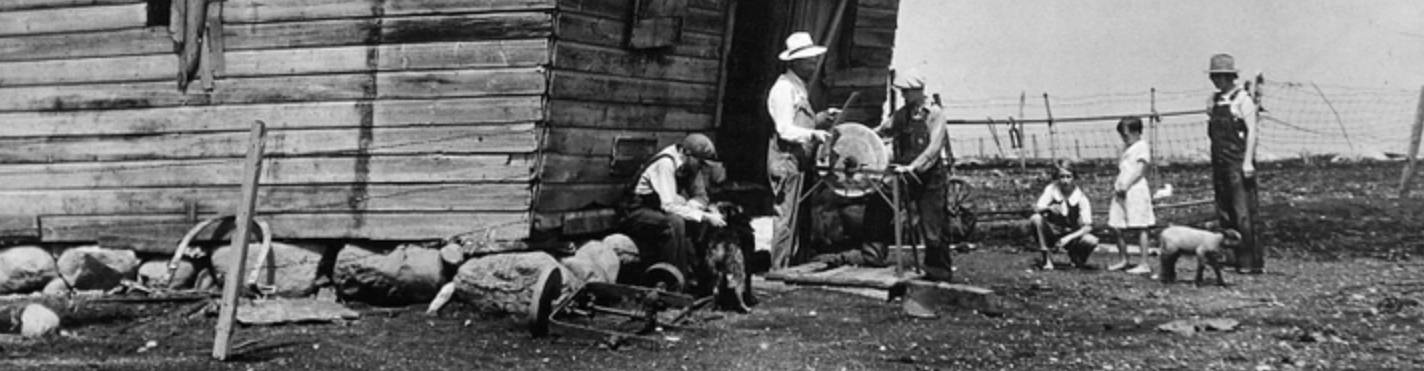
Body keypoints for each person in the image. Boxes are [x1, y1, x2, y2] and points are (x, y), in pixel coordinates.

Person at [765, 31, 838, 268]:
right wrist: (813, 134)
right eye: (809, 61)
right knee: (786, 217)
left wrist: (820, 118)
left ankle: (796, 264)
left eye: (814, 59)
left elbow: (800, 122)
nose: (814, 64)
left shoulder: (799, 87)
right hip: (786, 158)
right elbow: (785, 129)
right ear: (794, 62)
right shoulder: (783, 89)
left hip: (800, 158)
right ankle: (778, 269)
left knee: (800, 214)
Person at [875, 72, 954, 281]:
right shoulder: (903, 114)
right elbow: (884, 131)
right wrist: (861, 136)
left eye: (906, 91)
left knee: (932, 228)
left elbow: (934, 149)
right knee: (881, 201)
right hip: (906, 175)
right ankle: (872, 255)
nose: (903, 95)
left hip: (930, 177)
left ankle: (939, 273)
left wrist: (913, 167)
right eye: (901, 91)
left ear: (918, 91)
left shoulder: (935, 114)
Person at [620, 134, 728, 285]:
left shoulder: (691, 166)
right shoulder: (666, 163)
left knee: (694, 222)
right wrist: (702, 215)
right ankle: (671, 279)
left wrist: (692, 206)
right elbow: (669, 205)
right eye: (700, 162)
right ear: (687, 154)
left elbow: (701, 197)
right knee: (674, 223)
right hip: (636, 211)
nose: (701, 168)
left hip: (659, 211)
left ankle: (701, 277)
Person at [1205, 53, 1263, 274]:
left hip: (1237, 162)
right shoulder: (1215, 100)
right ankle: (1230, 257)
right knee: (1225, 211)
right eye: (1214, 76)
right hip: (1219, 161)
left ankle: (1249, 260)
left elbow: (1251, 133)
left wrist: (1247, 161)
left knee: (1243, 212)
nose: (1217, 80)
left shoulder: (1242, 99)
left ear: (1231, 76)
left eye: (1221, 76)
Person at [1107, 116, 1156, 275]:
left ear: (1136, 132)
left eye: (1126, 135)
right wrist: (1120, 186)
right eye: (1122, 135)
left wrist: (1127, 185)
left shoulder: (1142, 146)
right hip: (1121, 189)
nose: (1124, 138)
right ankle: (1123, 258)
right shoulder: (1125, 148)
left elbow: (1140, 170)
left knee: (1141, 225)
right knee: (1116, 224)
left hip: (1135, 189)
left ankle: (1144, 263)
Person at [1029, 163, 1098, 270]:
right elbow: (1036, 208)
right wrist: (1049, 208)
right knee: (1036, 218)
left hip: (1070, 235)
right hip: (1052, 233)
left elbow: (1088, 226)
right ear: (1057, 177)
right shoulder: (1052, 190)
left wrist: (1068, 238)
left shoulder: (1080, 197)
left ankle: (1077, 259)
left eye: (1068, 176)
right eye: (1062, 176)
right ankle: (1046, 259)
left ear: (1074, 178)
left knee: (1091, 240)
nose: (1065, 181)